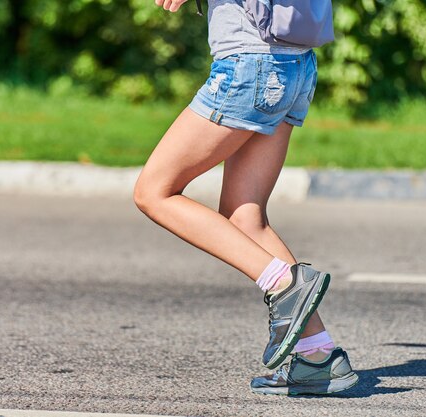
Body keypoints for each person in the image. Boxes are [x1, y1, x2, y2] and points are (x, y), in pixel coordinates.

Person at [134, 0, 359, 395]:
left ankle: (283, 285)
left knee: (154, 192)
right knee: (245, 217)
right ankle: (318, 357)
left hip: (252, 65)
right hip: (295, 66)